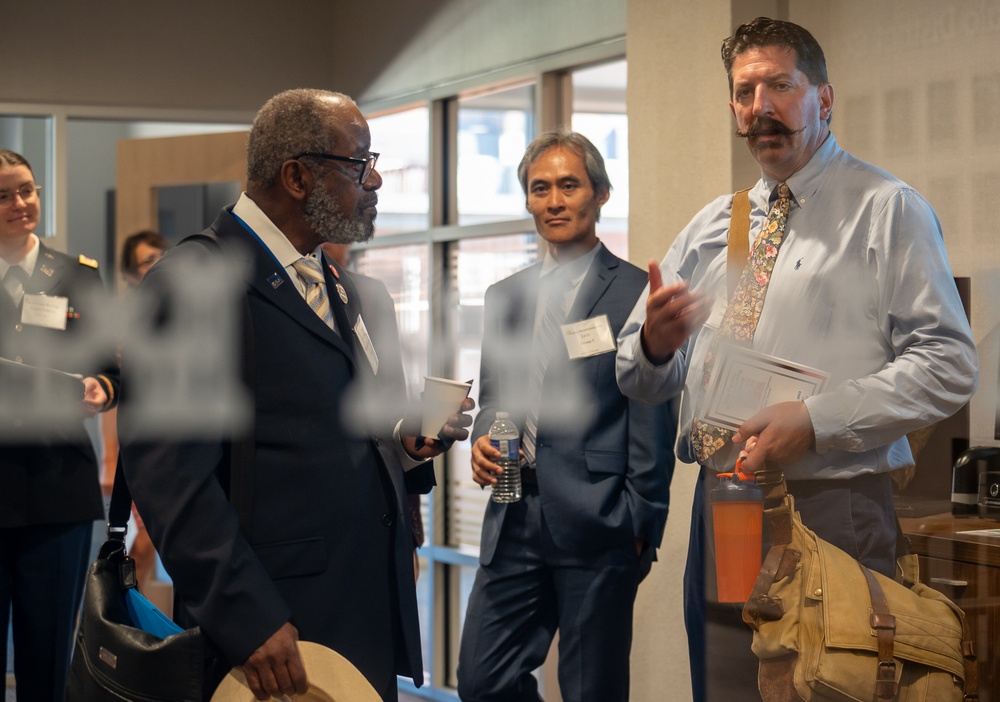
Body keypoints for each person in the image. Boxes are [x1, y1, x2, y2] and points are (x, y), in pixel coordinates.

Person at [614, 17, 979, 701]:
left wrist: (815, 419)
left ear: (824, 99)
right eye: (746, 91)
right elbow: (634, 376)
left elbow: (948, 364)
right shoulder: (714, 225)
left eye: (781, 85)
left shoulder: (886, 210)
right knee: (727, 688)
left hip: (831, 504)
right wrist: (653, 347)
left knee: (831, 685)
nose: (762, 107)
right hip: (725, 505)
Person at [117, 89, 474, 702]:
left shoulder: (331, 281)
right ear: (297, 175)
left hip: (355, 610)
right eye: (359, 163)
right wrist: (247, 616)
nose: (377, 179)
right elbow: (171, 476)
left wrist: (407, 444)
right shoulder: (194, 282)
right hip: (273, 628)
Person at [457, 131, 675, 702]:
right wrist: (484, 438)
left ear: (599, 194)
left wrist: (640, 521)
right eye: (540, 188)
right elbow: (496, 403)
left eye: (568, 185)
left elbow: (651, 407)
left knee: (591, 691)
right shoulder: (505, 297)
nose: (554, 200)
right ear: (528, 201)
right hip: (512, 511)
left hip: (599, 523)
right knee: (482, 680)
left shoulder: (635, 293)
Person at [0, 149, 120, 701]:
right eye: (3, 195)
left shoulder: (77, 276)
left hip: (56, 492)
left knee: (48, 659)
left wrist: (102, 388)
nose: (19, 204)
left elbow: (116, 369)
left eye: (26, 189)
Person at [99, 229, 172, 587]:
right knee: (142, 550)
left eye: (162, 256)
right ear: (130, 276)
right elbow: (120, 396)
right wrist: (112, 457)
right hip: (145, 446)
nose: (158, 265)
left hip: (183, 445)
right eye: (148, 260)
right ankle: (136, 635)